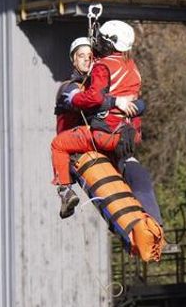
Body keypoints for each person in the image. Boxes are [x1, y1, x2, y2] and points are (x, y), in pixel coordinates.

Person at [50, 22, 161, 224]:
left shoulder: (102, 71)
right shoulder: (128, 69)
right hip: (124, 137)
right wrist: (122, 102)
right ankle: (148, 219)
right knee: (131, 173)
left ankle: (65, 191)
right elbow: (81, 99)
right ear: (73, 61)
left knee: (58, 144)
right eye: (81, 56)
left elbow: (92, 99)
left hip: (102, 136)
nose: (86, 59)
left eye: (89, 55)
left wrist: (119, 103)